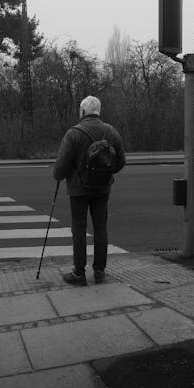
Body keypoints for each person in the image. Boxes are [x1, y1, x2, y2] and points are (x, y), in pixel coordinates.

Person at [53, 95, 126, 285]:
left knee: (79, 229)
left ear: (83, 112)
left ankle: (79, 272)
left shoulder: (73, 133)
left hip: (78, 190)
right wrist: (106, 173)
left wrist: (60, 175)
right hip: (102, 189)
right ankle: (100, 271)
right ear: (98, 111)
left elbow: (60, 166)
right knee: (101, 228)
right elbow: (121, 162)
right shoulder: (111, 132)